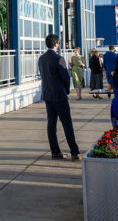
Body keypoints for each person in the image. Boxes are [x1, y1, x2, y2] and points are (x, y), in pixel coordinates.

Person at [38, 33, 81, 161]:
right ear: (56, 44)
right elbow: (66, 77)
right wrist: (67, 90)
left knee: (51, 124)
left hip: (47, 94)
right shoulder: (59, 58)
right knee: (67, 124)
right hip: (59, 95)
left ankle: (55, 152)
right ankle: (75, 152)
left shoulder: (41, 58)